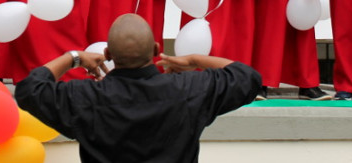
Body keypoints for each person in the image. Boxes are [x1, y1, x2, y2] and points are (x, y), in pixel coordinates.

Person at [15, 13, 261, 163]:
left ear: (109, 54)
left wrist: (74, 57)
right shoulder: (188, 90)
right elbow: (247, 77)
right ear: (155, 50)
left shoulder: (85, 98)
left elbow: (29, 89)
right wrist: (193, 61)